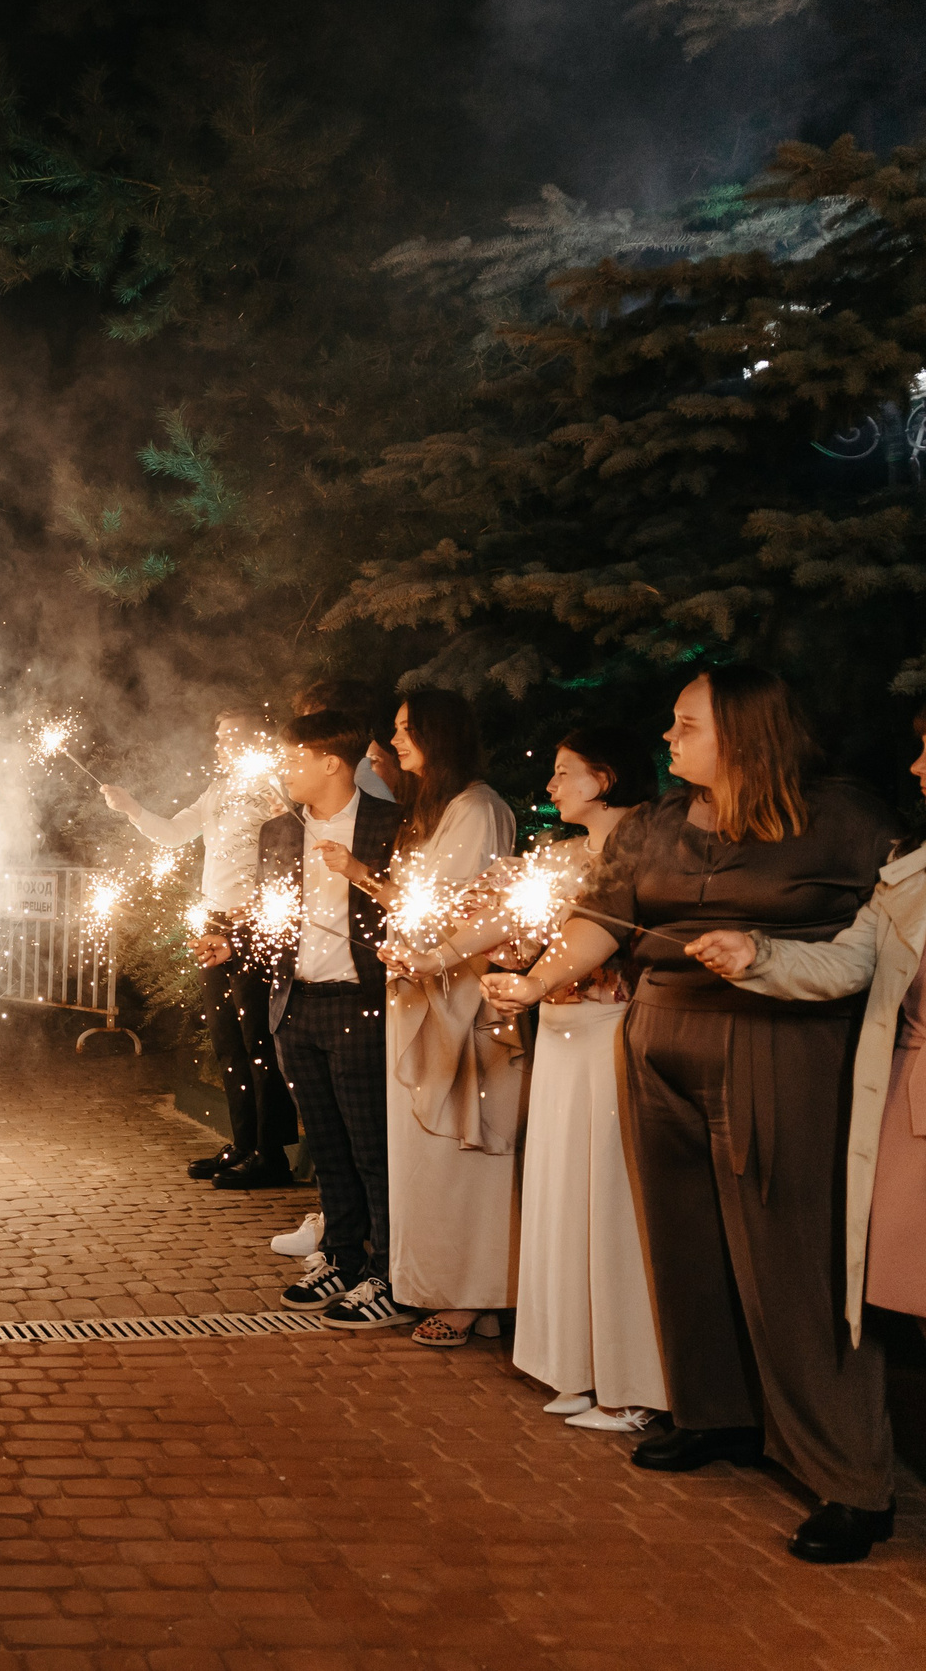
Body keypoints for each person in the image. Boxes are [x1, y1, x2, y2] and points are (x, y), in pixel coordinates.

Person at [537, 666, 898, 1564]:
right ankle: (719, 1413)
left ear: (741, 734)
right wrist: (540, 977)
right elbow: (602, 919)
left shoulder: (844, 819)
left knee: (792, 1251)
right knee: (683, 1239)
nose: (667, 734)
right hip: (658, 1036)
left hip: (778, 1044)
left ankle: (851, 1475)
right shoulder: (657, 823)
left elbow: (885, 934)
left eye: (685, 722)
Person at [477, 727, 666, 1429]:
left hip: (606, 1029)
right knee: (558, 1190)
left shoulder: (642, 849)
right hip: (553, 1030)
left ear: (606, 776)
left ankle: (631, 1378)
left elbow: (615, 940)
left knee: (608, 1196)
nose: (551, 787)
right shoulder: (554, 857)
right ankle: (573, 1362)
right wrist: (513, 950)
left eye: (565, 772)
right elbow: (536, 939)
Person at [325, 690, 522, 1347]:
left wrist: (421, 949)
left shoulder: (478, 808)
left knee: (459, 1151)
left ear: (441, 734)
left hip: (458, 1004)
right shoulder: (432, 812)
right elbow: (417, 899)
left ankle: (470, 1294)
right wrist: (363, 880)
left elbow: (471, 909)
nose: (396, 741)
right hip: (418, 989)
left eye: (408, 730)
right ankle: (445, 1286)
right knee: (424, 1155)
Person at [197, 710, 402, 1326]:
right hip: (296, 1003)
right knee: (328, 1145)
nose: (283, 768)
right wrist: (236, 943)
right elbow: (273, 912)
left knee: (373, 1147)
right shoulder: (279, 832)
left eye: (293, 758)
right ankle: (342, 1254)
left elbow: (418, 902)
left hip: (361, 1002)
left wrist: (362, 875)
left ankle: (390, 1272)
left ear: (330, 763)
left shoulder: (390, 825)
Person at [103, 708, 293, 1187]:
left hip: (255, 924)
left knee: (257, 1044)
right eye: (219, 736)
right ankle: (243, 1144)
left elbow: (293, 851)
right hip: (214, 921)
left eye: (229, 736)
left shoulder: (276, 786)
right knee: (227, 1038)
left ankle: (271, 1156)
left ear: (254, 741)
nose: (219, 745)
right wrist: (132, 809)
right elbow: (172, 834)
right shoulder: (218, 791)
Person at [294, 678, 398, 802]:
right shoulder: (324, 775)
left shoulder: (369, 779)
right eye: (305, 724)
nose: (307, 734)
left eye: (316, 723)